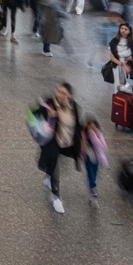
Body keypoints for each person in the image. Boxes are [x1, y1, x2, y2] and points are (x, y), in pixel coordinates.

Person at [37, 82, 80, 214]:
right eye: (58, 92)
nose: (60, 95)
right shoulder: (50, 103)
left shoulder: (74, 107)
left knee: (52, 166)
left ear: (69, 95)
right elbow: (38, 115)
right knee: (53, 164)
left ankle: (48, 176)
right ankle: (56, 197)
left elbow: (77, 125)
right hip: (52, 142)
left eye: (63, 93)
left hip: (67, 143)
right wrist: (49, 115)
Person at [108, 22, 133, 91]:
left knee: (131, 88)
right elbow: (112, 58)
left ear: (130, 31)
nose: (123, 30)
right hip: (118, 67)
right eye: (121, 28)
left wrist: (131, 58)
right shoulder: (114, 41)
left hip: (130, 68)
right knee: (118, 87)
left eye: (126, 29)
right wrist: (123, 65)